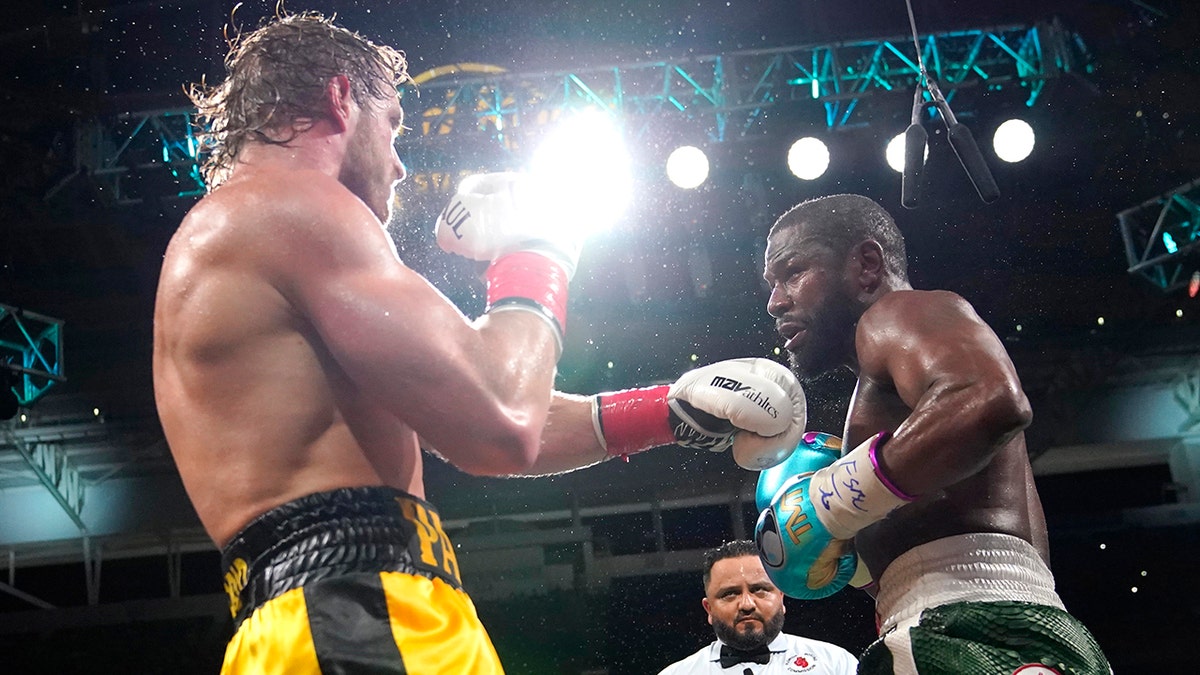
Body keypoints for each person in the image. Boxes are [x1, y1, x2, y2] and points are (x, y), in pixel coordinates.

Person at [152, 11, 806, 675]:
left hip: (327, 614)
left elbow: (475, 410)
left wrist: (670, 410)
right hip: (358, 614)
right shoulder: (291, 205)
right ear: (341, 96)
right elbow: (502, 419)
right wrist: (538, 249)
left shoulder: (247, 234)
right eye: (395, 125)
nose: (401, 164)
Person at [755, 194, 1112, 674]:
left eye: (793, 271)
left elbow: (989, 399)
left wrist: (828, 502)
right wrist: (847, 552)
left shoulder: (897, 314)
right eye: (772, 283)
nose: (776, 301)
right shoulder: (885, 385)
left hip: (970, 626)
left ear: (866, 265)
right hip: (989, 624)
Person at [657, 540, 858, 675]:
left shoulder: (835, 664)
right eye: (730, 594)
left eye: (759, 590)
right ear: (709, 609)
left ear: (781, 596)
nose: (747, 604)